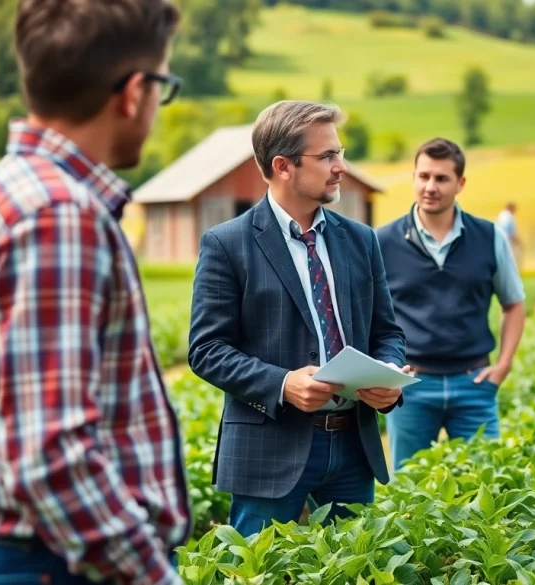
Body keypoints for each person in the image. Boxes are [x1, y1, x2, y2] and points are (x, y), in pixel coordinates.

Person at [0, 1, 190, 583]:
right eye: (161, 87)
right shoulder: (59, 213)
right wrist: (152, 575)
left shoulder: (10, 186)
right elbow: (50, 455)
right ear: (134, 92)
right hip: (52, 563)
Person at [187, 100, 408, 537]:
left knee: (356, 570)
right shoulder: (227, 244)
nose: (341, 166)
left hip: (352, 444)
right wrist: (283, 384)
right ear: (283, 166)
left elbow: (388, 331)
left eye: (340, 153)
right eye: (327, 156)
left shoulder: (360, 240)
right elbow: (206, 350)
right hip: (268, 447)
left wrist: (388, 376)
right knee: (258, 571)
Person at [376, 137, 526, 471]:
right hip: (410, 386)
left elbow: (514, 303)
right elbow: (369, 314)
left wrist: (503, 365)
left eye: (441, 178)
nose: (430, 186)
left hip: (473, 383)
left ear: (460, 183)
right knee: (409, 491)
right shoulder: (382, 242)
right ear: (413, 178)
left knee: (486, 483)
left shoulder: (488, 236)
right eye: (423, 176)